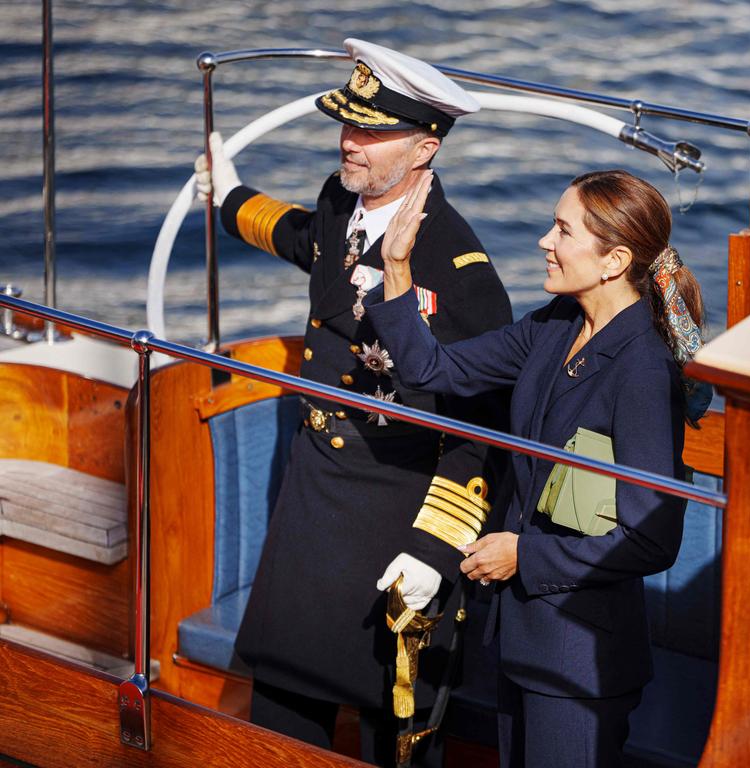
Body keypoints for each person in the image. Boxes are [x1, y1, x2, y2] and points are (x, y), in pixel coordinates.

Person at [194, 39, 512, 766]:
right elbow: (309, 241)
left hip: (394, 518)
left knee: (392, 736)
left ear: (425, 147)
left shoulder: (457, 269)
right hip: (312, 498)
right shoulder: (343, 197)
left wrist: (434, 550)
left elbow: (485, 426)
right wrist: (230, 198)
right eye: (348, 124)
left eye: (372, 131)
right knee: (280, 712)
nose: (350, 142)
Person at [367, 167, 711, 767]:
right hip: (523, 641)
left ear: (614, 260)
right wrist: (397, 268)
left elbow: (652, 539)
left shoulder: (642, 371)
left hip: (581, 659)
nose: (543, 243)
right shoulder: (553, 328)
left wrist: (523, 555)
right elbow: (432, 371)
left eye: (562, 230)